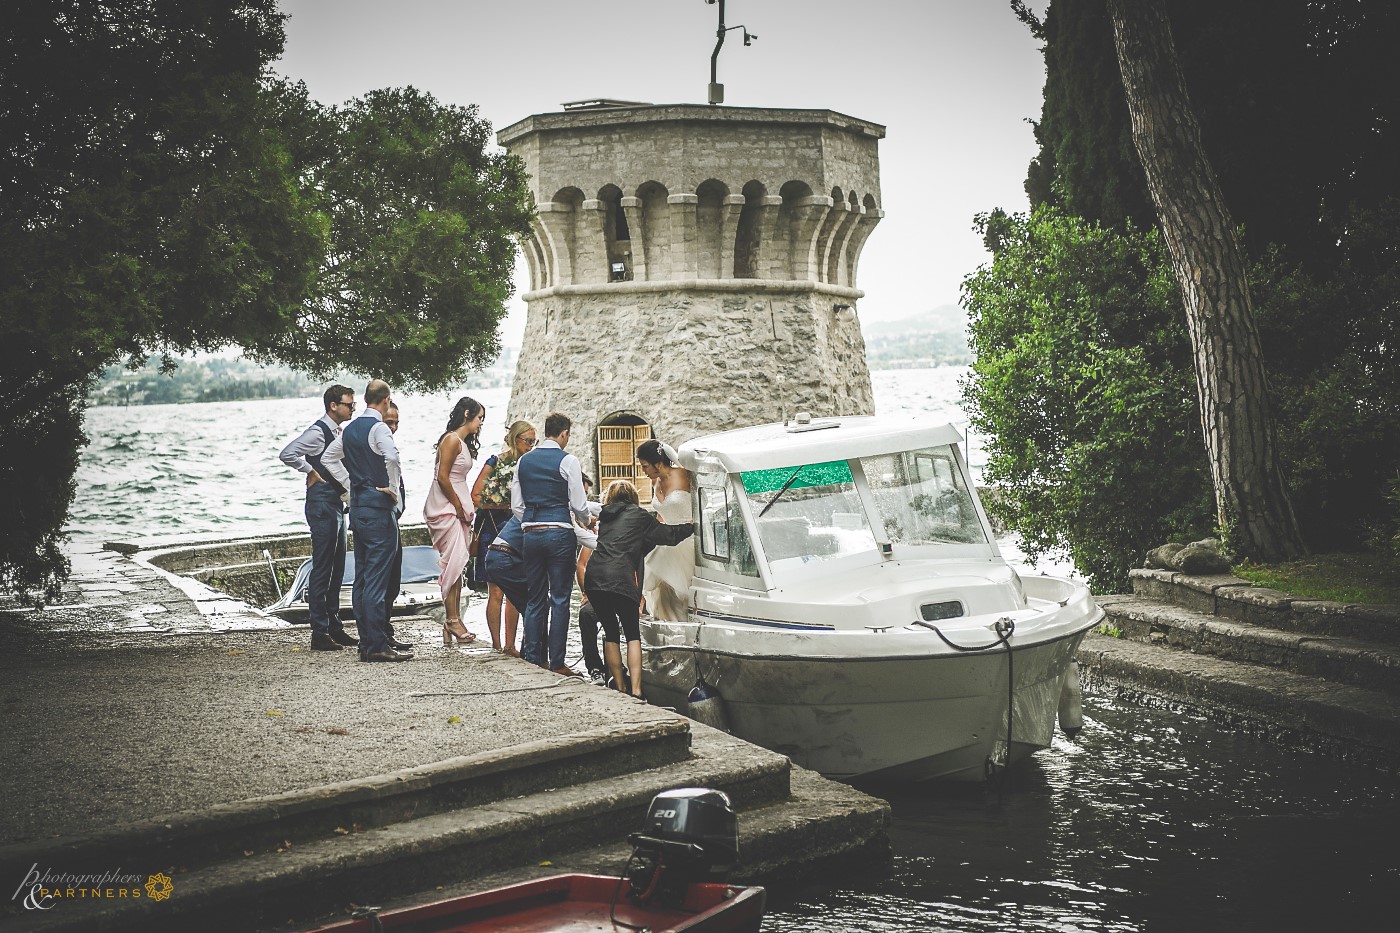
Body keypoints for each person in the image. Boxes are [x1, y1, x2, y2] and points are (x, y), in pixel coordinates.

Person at [321, 379, 411, 662]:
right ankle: (375, 645)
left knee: (362, 578)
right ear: (386, 401)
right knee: (377, 580)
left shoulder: (349, 430)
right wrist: (393, 489)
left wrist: (350, 486)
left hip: (358, 509)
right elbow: (393, 458)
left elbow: (327, 458)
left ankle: (368, 641)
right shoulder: (378, 427)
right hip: (377, 509)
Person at [584, 480, 695, 699]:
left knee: (611, 633)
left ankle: (619, 687)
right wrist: (692, 526)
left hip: (594, 577)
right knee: (632, 635)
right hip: (620, 578)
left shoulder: (606, 517)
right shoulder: (640, 516)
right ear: (633, 497)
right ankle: (635, 691)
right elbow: (668, 536)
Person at [278, 384, 359, 652]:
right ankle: (319, 631)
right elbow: (287, 453)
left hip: (336, 503)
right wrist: (309, 470)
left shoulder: (340, 431)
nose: (353, 408)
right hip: (322, 503)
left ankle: (335, 626)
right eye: (349, 404)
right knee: (323, 566)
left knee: (337, 567)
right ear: (333, 406)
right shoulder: (317, 432)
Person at [511, 411, 591, 674]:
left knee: (535, 598)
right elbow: (579, 505)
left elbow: (517, 506)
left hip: (531, 534)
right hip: (559, 534)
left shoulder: (523, 461)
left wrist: (533, 520)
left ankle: (533, 658)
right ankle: (556, 663)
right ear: (564, 433)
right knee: (560, 599)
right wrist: (586, 520)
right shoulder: (568, 461)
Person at [470, 420, 537, 654]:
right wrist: (503, 503)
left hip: (520, 531)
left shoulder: (530, 465)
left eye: (533, 442)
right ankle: (496, 644)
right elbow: (476, 495)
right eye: (527, 441)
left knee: (516, 589)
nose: (531, 446)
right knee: (496, 591)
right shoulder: (496, 462)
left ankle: (511, 644)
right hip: (493, 527)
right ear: (514, 439)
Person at [424, 396, 484, 646]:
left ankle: (453, 619)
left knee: (458, 565)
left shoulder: (461, 442)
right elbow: (442, 477)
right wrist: (459, 506)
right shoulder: (450, 440)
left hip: (459, 509)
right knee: (453, 563)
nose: (481, 423)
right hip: (447, 508)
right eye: (479, 418)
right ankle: (451, 619)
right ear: (468, 414)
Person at [638, 439, 695, 622]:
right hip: (666, 542)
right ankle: (670, 631)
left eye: (646, 466)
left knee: (684, 595)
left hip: (687, 542)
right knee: (662, 593)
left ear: (658, 463)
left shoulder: (684, 475)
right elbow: (661, 516)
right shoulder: (657, 484)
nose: (643, 471)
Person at [381, 402, 412, 649]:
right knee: (380, 580)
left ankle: (386, 631)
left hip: (394, 518)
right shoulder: (374, 445)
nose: (392, 428)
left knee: (393, 580)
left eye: (396, 423)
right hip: (380, 518)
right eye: (389, 422)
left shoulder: (388, 443)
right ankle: (378, 635)